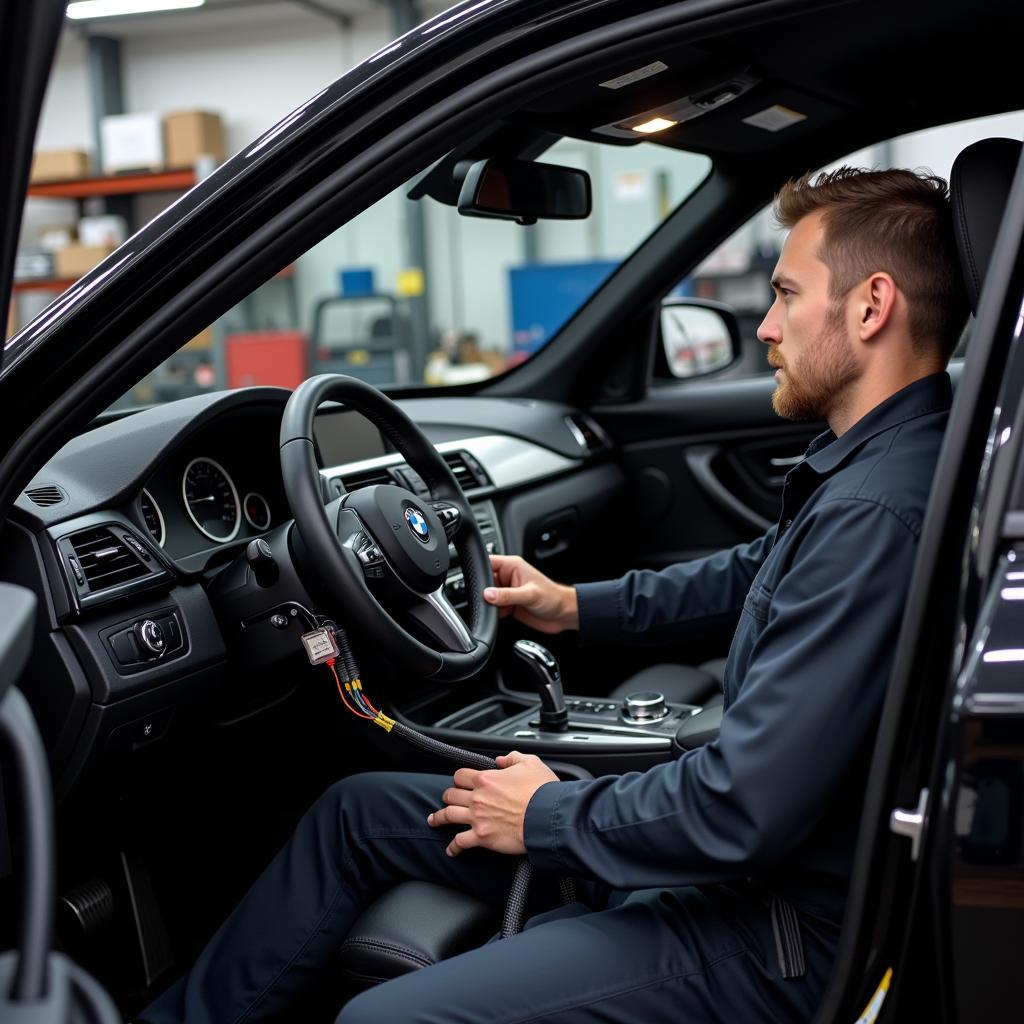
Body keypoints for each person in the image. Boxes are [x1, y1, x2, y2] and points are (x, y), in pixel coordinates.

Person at [140, 166, 968, 1024]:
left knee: (381, 1021)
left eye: (787, 294)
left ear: (871, 307)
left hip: (772, 927)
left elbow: (741, 809)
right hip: (745, 859)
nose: (763, 326)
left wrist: (547, 813)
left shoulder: (876, 511)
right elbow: (754, 571)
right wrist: (573, 606)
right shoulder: (889, 464)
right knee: (356, 813)